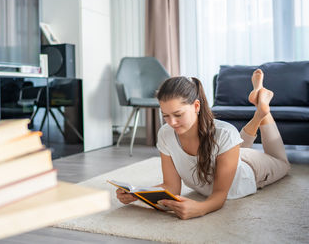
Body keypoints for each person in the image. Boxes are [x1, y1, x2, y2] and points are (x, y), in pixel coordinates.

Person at [116, 69, 291, 220]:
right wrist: (137, 194)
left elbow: (219, 196)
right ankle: (259, 111)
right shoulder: (165, 134)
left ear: (196, 106)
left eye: (178, 114)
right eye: (166, 115)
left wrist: (199, 209)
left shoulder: (224, 133)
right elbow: (171, 187)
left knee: (282, 163)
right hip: (227, 153)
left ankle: (263, 112)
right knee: (228, 142)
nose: (172, 122)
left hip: (249, 168)